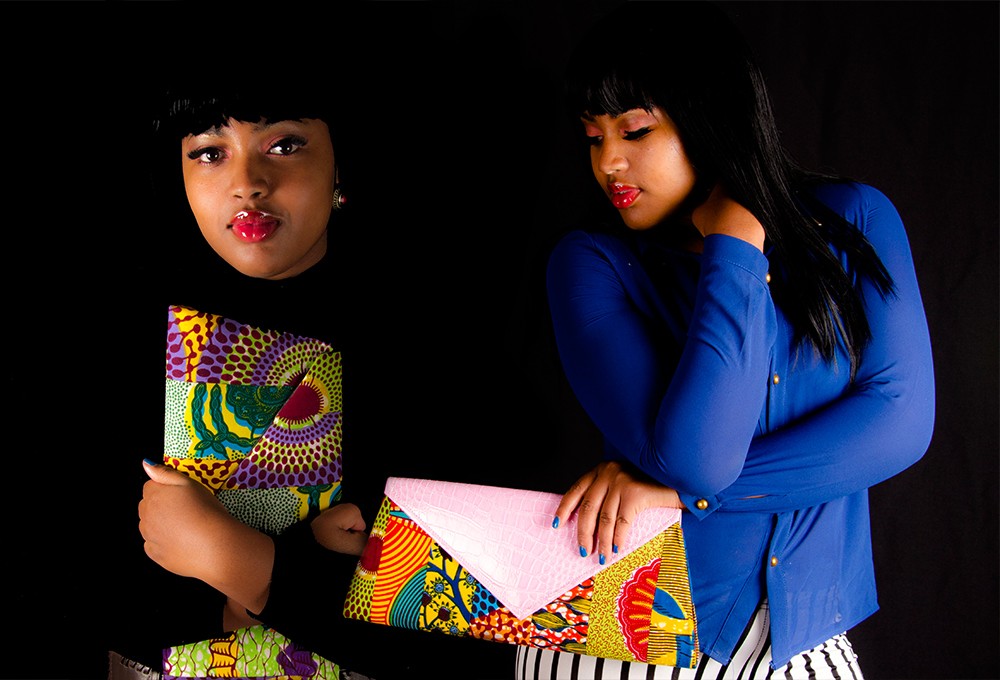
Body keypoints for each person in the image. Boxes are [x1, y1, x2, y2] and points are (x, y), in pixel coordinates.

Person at [522, 1, 936, 678]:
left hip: (805, 631)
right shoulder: (591, 266)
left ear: (711, 118)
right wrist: (736, 248)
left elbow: (900, 423)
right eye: (594, 137)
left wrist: (674, 496)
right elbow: (698, 462)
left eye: (634, 130)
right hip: (630, 635)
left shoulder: (855, 221)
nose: (609, 163)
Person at [109, 62, 515, 680]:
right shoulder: (132, 329)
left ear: (339, 166)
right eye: (210, 153)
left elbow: (471, 617)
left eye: (284, 145)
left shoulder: (432, 346)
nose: (248, 184)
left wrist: (252, 568)